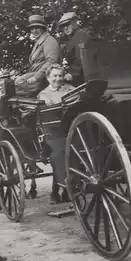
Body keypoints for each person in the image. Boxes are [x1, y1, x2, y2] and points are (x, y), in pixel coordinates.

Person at [38, 63, 75, 203]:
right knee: (59, 154)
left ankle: (67, 187)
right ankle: (66, 186)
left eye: (60, 75)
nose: (58, 79)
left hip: (73, 128)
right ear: (48, 78)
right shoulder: (44, 94)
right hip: (55, 132)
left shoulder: (70, 89)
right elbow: (50, 110)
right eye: (54, 76)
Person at [14, 14, 60, 97]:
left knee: (14, 87)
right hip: (36, 77)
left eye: (37, 28)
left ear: (43, 28)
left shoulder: (49, 40)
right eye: (32, 28)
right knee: (10, 85)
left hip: (44, 78)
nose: (34, 31)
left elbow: (52, 61)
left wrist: (36, 77)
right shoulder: (38, 42)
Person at [57, 12, 93, 87]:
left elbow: (82, 57)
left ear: (74, 23)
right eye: (63, 26)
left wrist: (72, 73)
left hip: (84, 77)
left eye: (67, 24)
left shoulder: (81, 35)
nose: (65, 28)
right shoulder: (72, 39)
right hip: (78, 76)